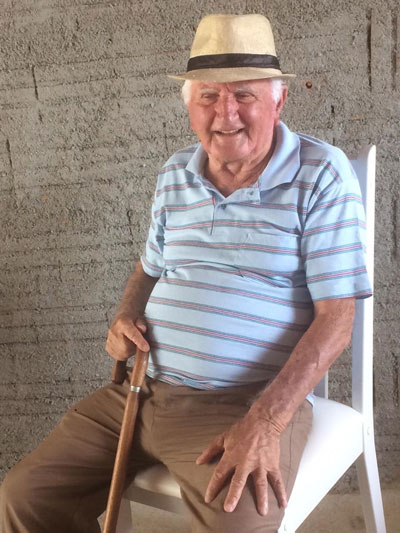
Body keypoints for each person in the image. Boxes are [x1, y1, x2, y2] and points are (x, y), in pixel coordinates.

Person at [0, 13, 372, 533]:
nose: (225, 113)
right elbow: (148, 265)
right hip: (139, 389)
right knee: (24, 497)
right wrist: (125, 313)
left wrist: (267, 421)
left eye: (244, 95)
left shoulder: (321, 173)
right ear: (190, 107)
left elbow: (337, 318)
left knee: (238, 522)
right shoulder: (176, 172)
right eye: (208, 96)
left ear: (278, 101)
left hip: (242, 404)